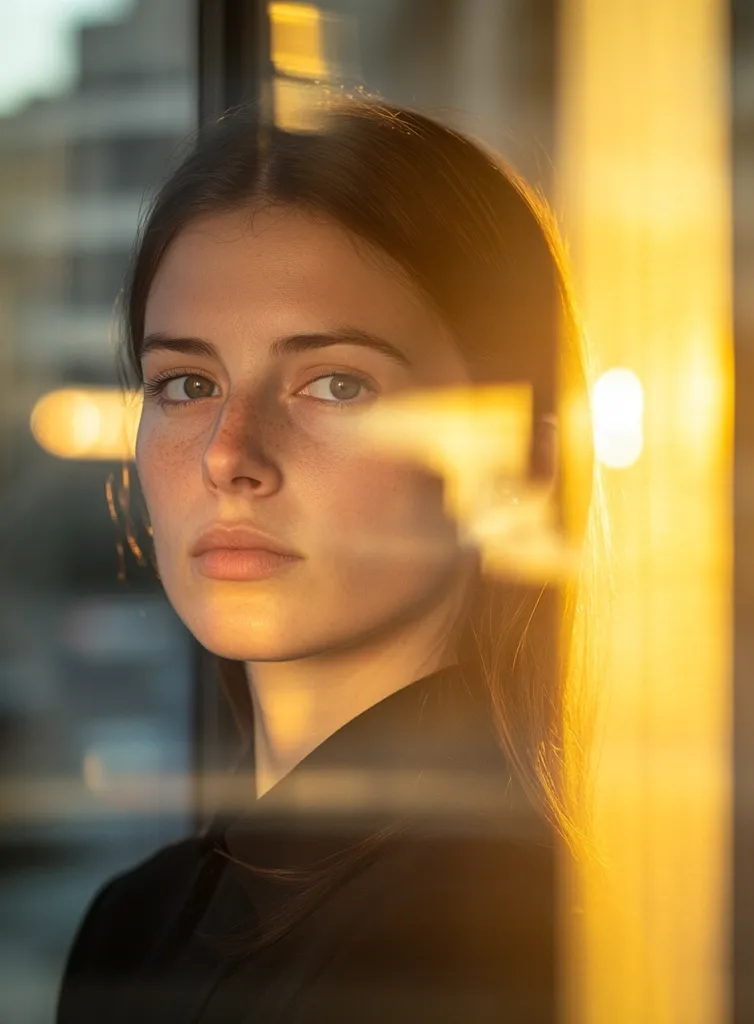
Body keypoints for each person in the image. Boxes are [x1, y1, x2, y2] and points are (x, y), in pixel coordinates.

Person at [56, 97, 596, 1024]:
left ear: (517, 460)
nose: (231, 455)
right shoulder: (134, 926)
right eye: (187, 384)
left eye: (337, 382)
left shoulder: (505, 944)